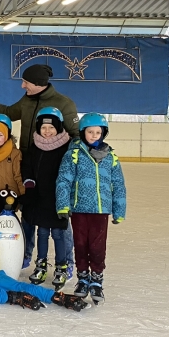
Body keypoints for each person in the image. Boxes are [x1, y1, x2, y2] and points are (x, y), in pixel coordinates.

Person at [56, 113, 127, 305]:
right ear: (83, 132)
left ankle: (96, 279)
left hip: (101, 210)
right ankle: (82, 279)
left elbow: (118, 184)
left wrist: (119, 210)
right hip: (79, 209)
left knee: (97, 246)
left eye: (98, 132)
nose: (94, 135)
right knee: (80, 245)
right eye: (90, 132)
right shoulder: (74, 154)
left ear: (103, 133)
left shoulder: (111, 156)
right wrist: (63, 204)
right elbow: (64, 180)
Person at [21, 107, 74, 288]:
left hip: (59, 200)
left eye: (51, 128)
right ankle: (41, 265)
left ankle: (62, 265)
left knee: (59, 234)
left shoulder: (67, 148)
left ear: (58, 127)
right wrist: (29, 183)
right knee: (42, 233)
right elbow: (27, 166)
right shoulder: (35, 147)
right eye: (43, 128)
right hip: (40, 199)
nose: (47, 131)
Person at [0, 64, 79, 153]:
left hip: (49, 163)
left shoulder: (65, 104)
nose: (22, 86)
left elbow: (76, 136)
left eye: (26, 82)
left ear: (38, 84)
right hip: (25, 158)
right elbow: (8, 113)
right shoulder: (27, 99)